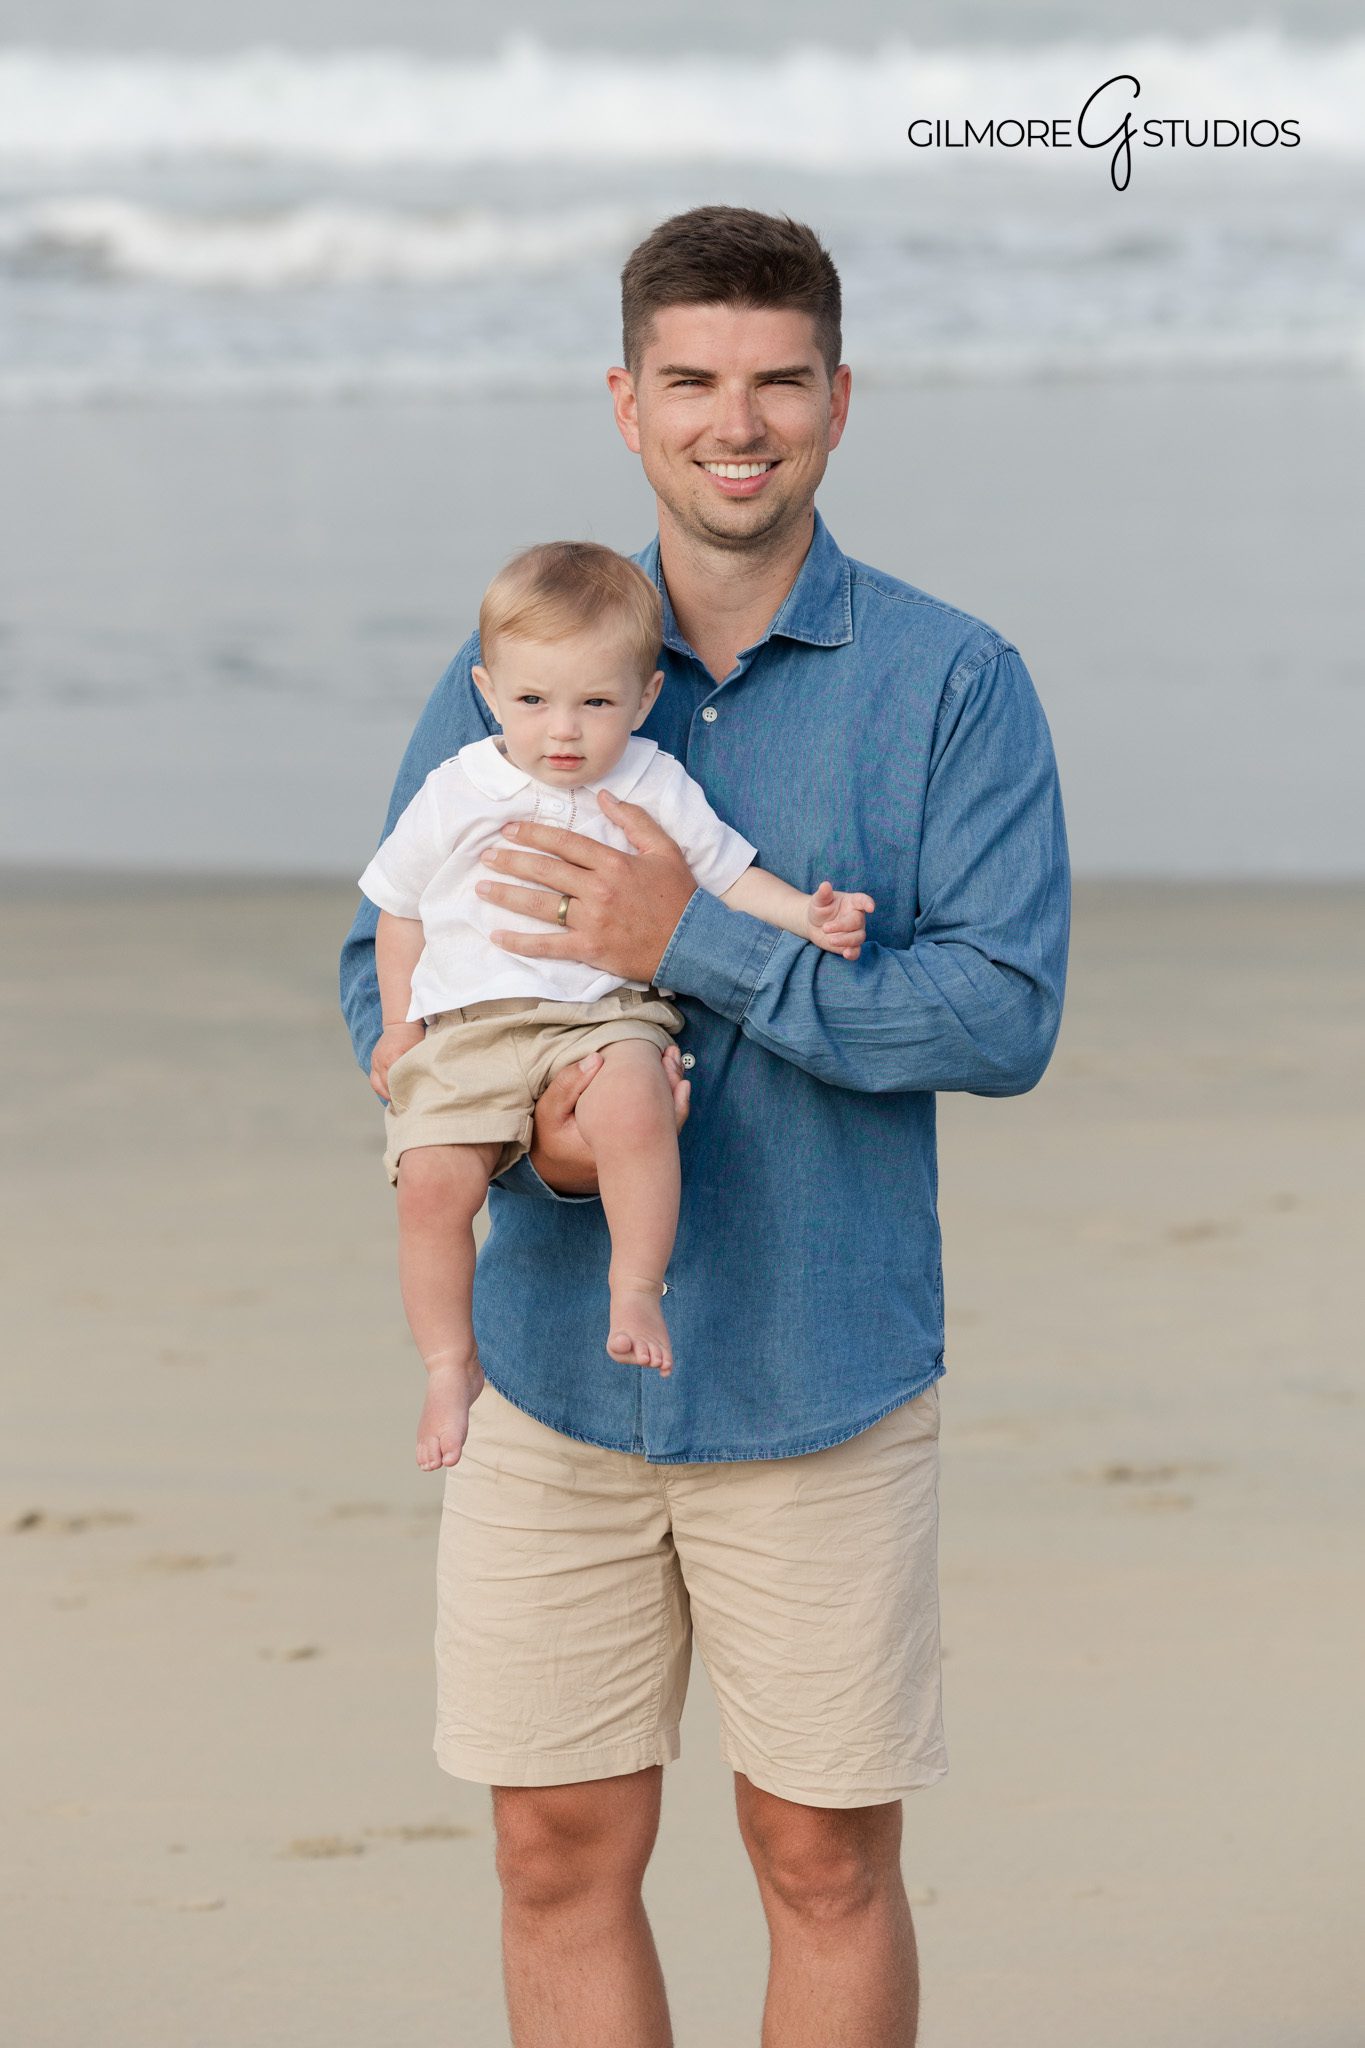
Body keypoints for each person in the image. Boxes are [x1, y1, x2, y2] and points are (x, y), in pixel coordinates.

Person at [340, 205, 1069, 2048]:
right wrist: (529, 1133)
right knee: (551, 1852)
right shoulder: (523, 656)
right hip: (548, 1376)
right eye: (691, 381)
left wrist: (697, 952)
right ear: (627, 401)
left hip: (819, 1368)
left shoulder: (951, 681)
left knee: (821, 1858)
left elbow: (1002, 1015)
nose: (734, 424)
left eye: (776, 382)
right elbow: (382, 956)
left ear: (839, 398)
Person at [359, 539, 875, 1459]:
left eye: (596, 704)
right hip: (468, 1028)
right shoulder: (457, 788)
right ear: (487, 692)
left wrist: (807, 914)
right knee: (430, 1186)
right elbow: (397, 912)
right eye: (533, 702)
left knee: (636, 1106)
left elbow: (728, 877)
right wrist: (400, 1026)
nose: (563, 731)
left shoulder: (649, 781)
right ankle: (447, 1363)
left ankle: (634, 1288)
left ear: (643, 699)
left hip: (601, 1016)